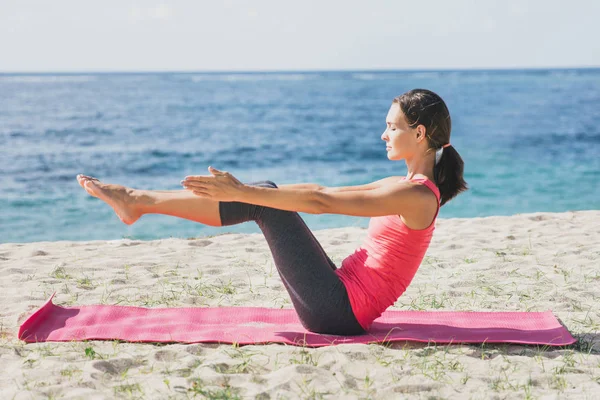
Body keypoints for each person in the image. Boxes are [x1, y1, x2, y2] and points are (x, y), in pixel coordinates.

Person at [76, 88, 468, 336]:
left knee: (262, 201)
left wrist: (244, 191)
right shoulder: (401, 186)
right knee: (264, 196)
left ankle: (136, 200)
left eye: (391, 127)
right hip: (338, 296)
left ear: (419, 134)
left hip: (338, 313)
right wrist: (248, 190)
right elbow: (320, 191)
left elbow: (322, 204)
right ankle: (137, 200)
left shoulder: (417, 198)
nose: (383, 134)